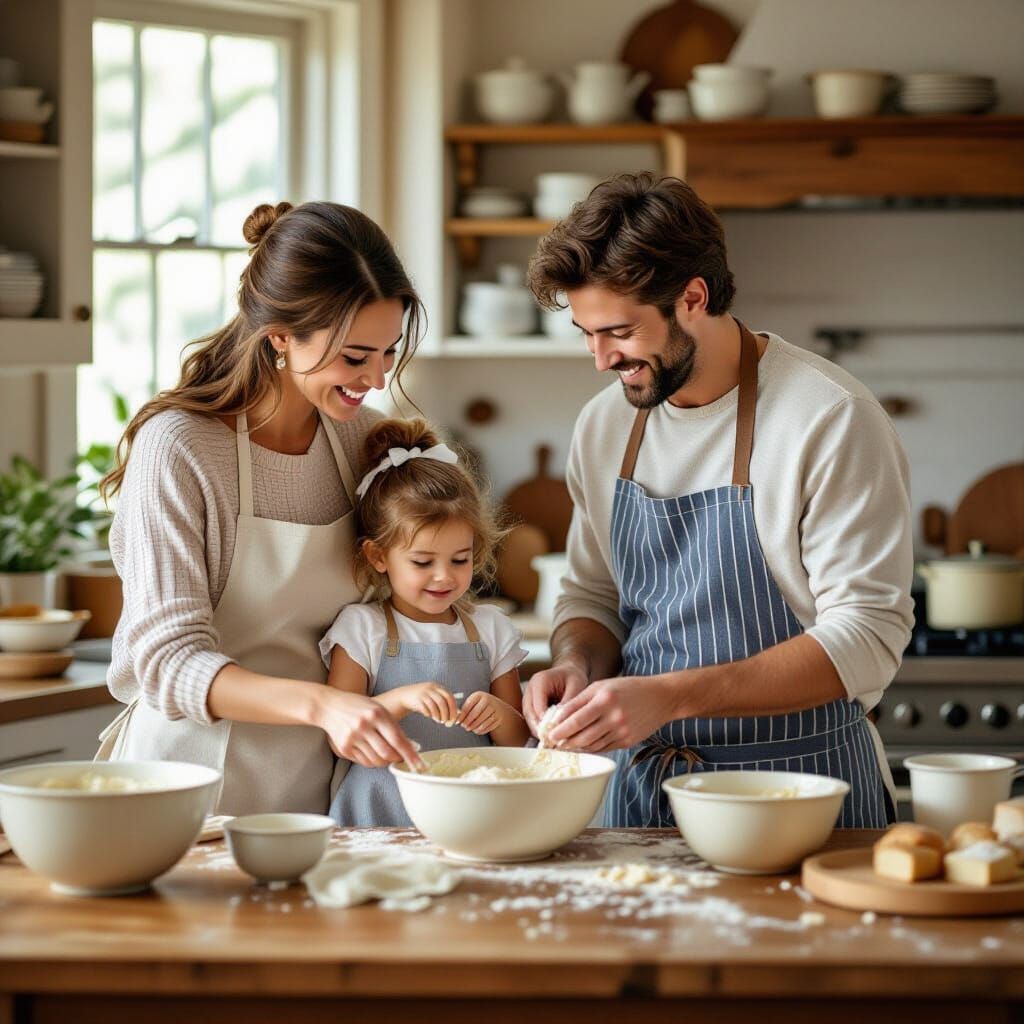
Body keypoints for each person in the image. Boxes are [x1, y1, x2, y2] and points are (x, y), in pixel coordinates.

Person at [522, 172, 914, 828]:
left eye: (618, 331)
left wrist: (672, 697)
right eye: (587, 334)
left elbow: (867, 635)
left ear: (693, 298)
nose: (599, 359)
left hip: (802, 795)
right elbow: (592, 598)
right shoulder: (605, 425)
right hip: (643, 800)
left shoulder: (828, 416)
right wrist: (574, 664)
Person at [96, 200, 425, 815]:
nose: (377, 379)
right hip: (185, 785)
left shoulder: (363, 441)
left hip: (318, 780)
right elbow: (168, 663)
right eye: (355, 357)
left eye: (388, 351)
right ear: (281, 336)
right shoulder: (181, 447)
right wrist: (323, 705)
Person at [320, 417, 530, 826]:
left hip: (469, 811)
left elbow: (517, 743)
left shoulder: (492, 628)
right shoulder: (362, 628)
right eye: (422, 562)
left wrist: (499, 714)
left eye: (460, 559)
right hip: (378, 811)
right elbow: (339, 737)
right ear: (378, 557)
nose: (444, 576)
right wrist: (401, 700)